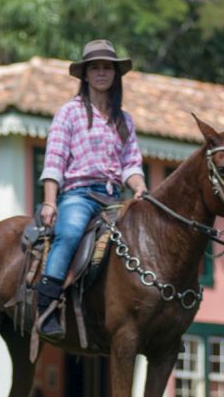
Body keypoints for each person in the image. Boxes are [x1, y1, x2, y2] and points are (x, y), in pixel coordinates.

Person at [36, 39, 147, 340]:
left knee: (142, 240)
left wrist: (139, 188)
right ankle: (45, 306)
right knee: (70, 232)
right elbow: (54, 159)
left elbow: (131, 164)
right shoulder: (69, 112)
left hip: (114, 197)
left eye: (107, 67)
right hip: (79, 195)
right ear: (85, 74)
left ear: (115, 74)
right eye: (95, 67)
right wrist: (50, 202)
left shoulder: (125, 120)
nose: (101, 73)